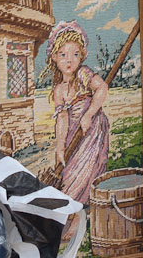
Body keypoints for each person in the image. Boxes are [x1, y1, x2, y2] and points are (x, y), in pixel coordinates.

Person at [45, 21, 111, 206]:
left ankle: (85, 207)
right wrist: (60, 147)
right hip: (74, 134)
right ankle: (71, 210)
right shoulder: (59, 90)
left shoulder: (83, 74)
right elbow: (62, 119)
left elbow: (102, 88)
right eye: (63, 55)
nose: (69, 60)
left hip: (92, 130)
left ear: (81, 56)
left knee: (87, 168)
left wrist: (89, 115)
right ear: (55, 58)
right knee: (69, 170)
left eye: (75, 55)